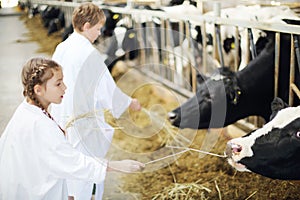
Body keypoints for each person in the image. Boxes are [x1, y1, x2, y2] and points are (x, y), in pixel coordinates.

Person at [0, 58, 144, 200]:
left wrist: (62, 194)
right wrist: (116, 166)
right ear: (39, 90)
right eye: (58, 84)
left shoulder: (27, 110)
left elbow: (40, 162)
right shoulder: (40, 125)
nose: (65, 87)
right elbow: (73, 162)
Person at [50, 3, 142, 200]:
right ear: (85, 26)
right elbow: (105, 90)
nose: (99, 34)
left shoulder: (62, 46)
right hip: (82, 119)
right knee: (87, 167)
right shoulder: (88, 53)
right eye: (98, 28)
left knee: (69, 166)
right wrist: (129, 102)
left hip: (60, 114)